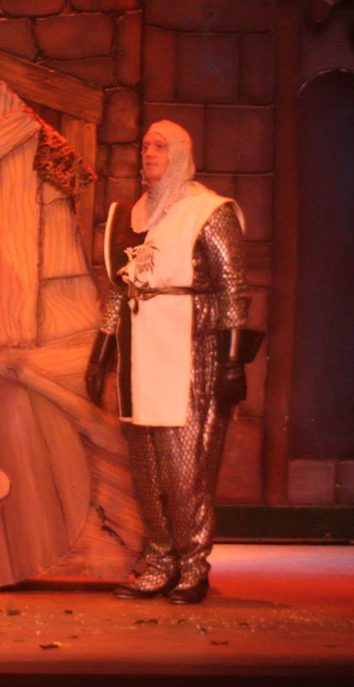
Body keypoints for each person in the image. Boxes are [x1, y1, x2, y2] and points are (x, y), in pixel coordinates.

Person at [85, 119, 250, 604]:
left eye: (160, 146)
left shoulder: (209, 211)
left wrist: (233, 361)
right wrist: (101, 353)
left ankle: (193, 565)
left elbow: (233, 288)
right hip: (141, 349)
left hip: (190, 347)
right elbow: (121, 288)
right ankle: (159, 561)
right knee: (147, 468)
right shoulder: (135, 215)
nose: (149, 153)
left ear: (180, 154)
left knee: (185, 468)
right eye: (145, 145)